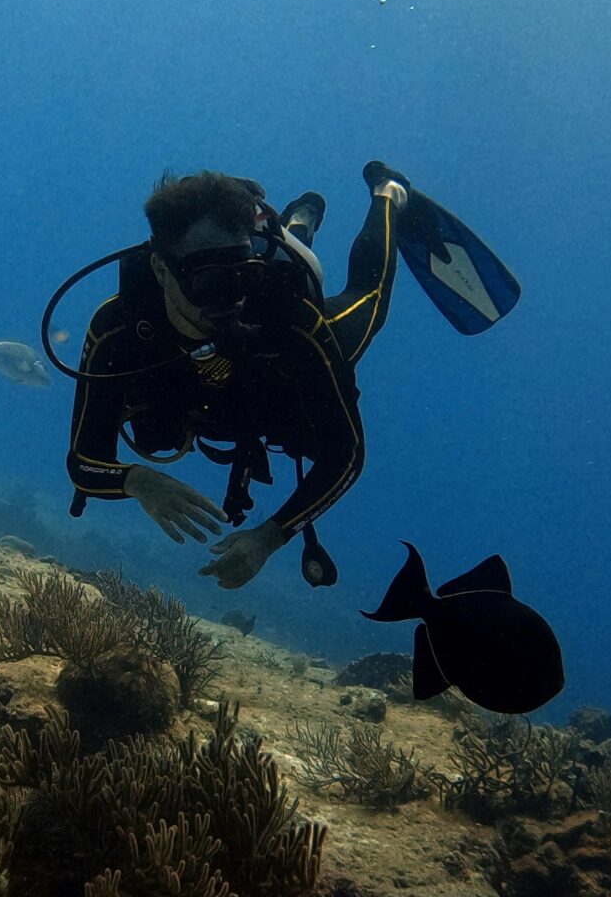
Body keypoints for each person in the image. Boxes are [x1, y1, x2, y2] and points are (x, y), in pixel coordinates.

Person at [64, 164, 414, 590]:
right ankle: (298, 222)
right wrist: (137, 481)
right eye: (209, 282)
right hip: (214, 404)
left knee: (369, 298)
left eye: (243, 277)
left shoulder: (291, 319)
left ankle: (388, 194)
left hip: (277, 386)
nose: (230, 301)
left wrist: (270, 537)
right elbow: (83, 461)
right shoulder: (118, 330)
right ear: (160, 271)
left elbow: (346, 453)